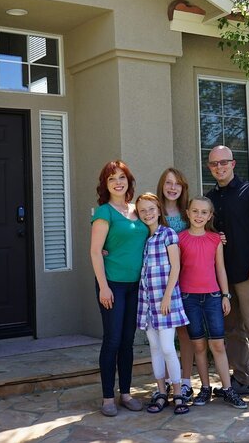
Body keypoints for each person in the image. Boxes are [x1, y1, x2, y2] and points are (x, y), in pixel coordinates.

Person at [205, 145, 249, 407]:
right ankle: (241, 380)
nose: (219, 167)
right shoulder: (210, 199)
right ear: (209, 167)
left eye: (224, 162)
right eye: (214, 164)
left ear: (233, 164)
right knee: (232, 329)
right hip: (223, 276)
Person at [90, 160, 148, 417]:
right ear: (105, 184)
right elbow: (95, 251)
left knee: (127, 341)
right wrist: (103, 287)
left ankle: (125, 393)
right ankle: (107, 398)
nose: (117, 182)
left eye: (121, 177)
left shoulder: (138, 210)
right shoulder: (104, 212)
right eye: (112, 178)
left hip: (136, 285)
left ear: (129, 181)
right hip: (112, 284)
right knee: (112, 340)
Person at [178, 196, 247, 409]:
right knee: (198, 345)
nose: (199, 216)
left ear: (210, 216)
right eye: (195, 211)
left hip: (213, 297)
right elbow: (176, 269)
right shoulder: (179, 238)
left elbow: (220, 269)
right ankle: (205, 388)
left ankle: (227, 389)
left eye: (204, 212)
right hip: (188, 298)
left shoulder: (215, 239)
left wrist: (226, 295)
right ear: (188, 213)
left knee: (217, 344)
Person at [134, 193, 190, 414]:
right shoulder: (143, 239)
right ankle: (160, 392)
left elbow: (175, 267)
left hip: (166, 301)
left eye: (151, 209)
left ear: (158, 209)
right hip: (147, 303)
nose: (147, 214)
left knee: (167, 347)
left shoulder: (168, 234)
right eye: (142, 211)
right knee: (155, 348)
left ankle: (178, 392)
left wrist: (167, 296)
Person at [156, 168, 195, 401]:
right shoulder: (154, 212)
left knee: (184, 333)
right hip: (162, 283)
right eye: (168, 183)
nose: (173, 188)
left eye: (177, 184)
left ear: (183, 188)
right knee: (163, 337)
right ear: (162, 185)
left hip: (187, 278)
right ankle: (169, 380)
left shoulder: (188, 213)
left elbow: (203, 232)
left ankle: (187, 380)